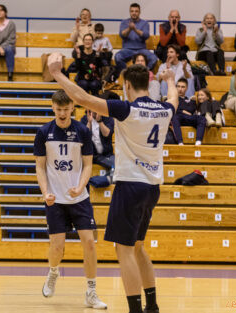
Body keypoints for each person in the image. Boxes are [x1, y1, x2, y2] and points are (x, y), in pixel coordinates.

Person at [48, 51, 179, 313]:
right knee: (139, 247)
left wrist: (57, 74)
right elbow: (174, 97)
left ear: (128, 86)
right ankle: (152, 305)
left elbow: (82, 98)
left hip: (130, 185)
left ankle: (135, 309)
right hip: (152, 188)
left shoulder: (125, 109)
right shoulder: (165, 109)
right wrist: (171, 80)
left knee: (125, 251)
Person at [34, 90, 107, 310]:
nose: (63, 113)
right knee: (57, 247)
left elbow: (87, 165)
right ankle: (53, 272)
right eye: (58, 110)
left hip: (79, 198)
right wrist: (45, 192)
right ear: (52, 107)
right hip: (55, 199)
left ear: (72, 108)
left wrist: (81, 186)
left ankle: (91, 291)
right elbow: (40, 166)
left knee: (90, 243)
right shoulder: (43, 132)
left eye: (66, 109)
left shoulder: (82, 131)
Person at [115, 3, 157, 73]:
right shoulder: (124, 22)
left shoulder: (144, 23)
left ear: (139, 12)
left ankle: (144, 73)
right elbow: (122, 35)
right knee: (117, 57)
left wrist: (135, 29)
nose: (134, 13)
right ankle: (127, 74)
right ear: (130, 12)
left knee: (154, 58)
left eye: (136, 11)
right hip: (127, 50)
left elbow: (146, 36)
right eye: (132, 11)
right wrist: (129, 28)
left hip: (142, 50)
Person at [172, 78, 206, 146]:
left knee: (202, 118)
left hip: (188, 118)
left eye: (182, 87)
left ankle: (198, 141)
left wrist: (181, 110)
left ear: (186, 88)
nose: (180, 89)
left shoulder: (190, 100)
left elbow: (191, 110)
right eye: (178, 86)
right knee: (174, 117)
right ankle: (180, 142)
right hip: (178, 118)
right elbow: (173, 110)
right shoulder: (172, 99)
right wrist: (182, 111)